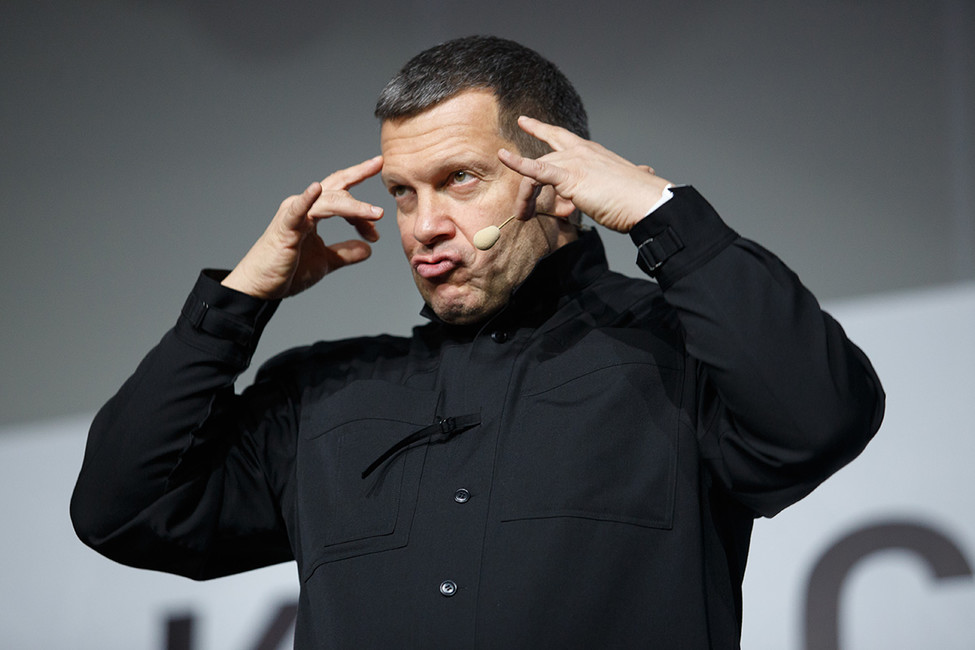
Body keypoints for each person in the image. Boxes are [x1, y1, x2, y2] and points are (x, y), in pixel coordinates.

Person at [70, 35, 884, 648]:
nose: (423, 226)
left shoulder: (678, 350)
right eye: (402, 192)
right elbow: (124, 510)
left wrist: (660, 214)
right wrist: (239, 300)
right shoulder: (323, 394)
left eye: (459, 178)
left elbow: (819, 417)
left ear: (557, 182)